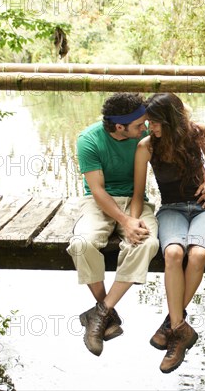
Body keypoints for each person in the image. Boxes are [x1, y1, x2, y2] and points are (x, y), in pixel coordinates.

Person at [131, 92, 205, 374]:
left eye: (155, 122)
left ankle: (173, 326)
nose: (149, 127)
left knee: (197, 254)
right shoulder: (147, 147)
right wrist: (131, 223)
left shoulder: (198, 133)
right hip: (171, 209)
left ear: (170, 121)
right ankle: (180, 329)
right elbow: (138, 194)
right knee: (173, 252)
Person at [67, 92, 159, 357]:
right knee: (81, 244)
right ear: (120, 127)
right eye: (140, 125)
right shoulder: (88, 140)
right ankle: (106, 313)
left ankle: (99, 314)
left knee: (148, 243)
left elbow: (140, 190)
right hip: (100, 203)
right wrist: (124, 221)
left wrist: (134, 219)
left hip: (135, 201)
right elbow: (97, 191)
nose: (145, 128)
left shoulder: (144, 139)